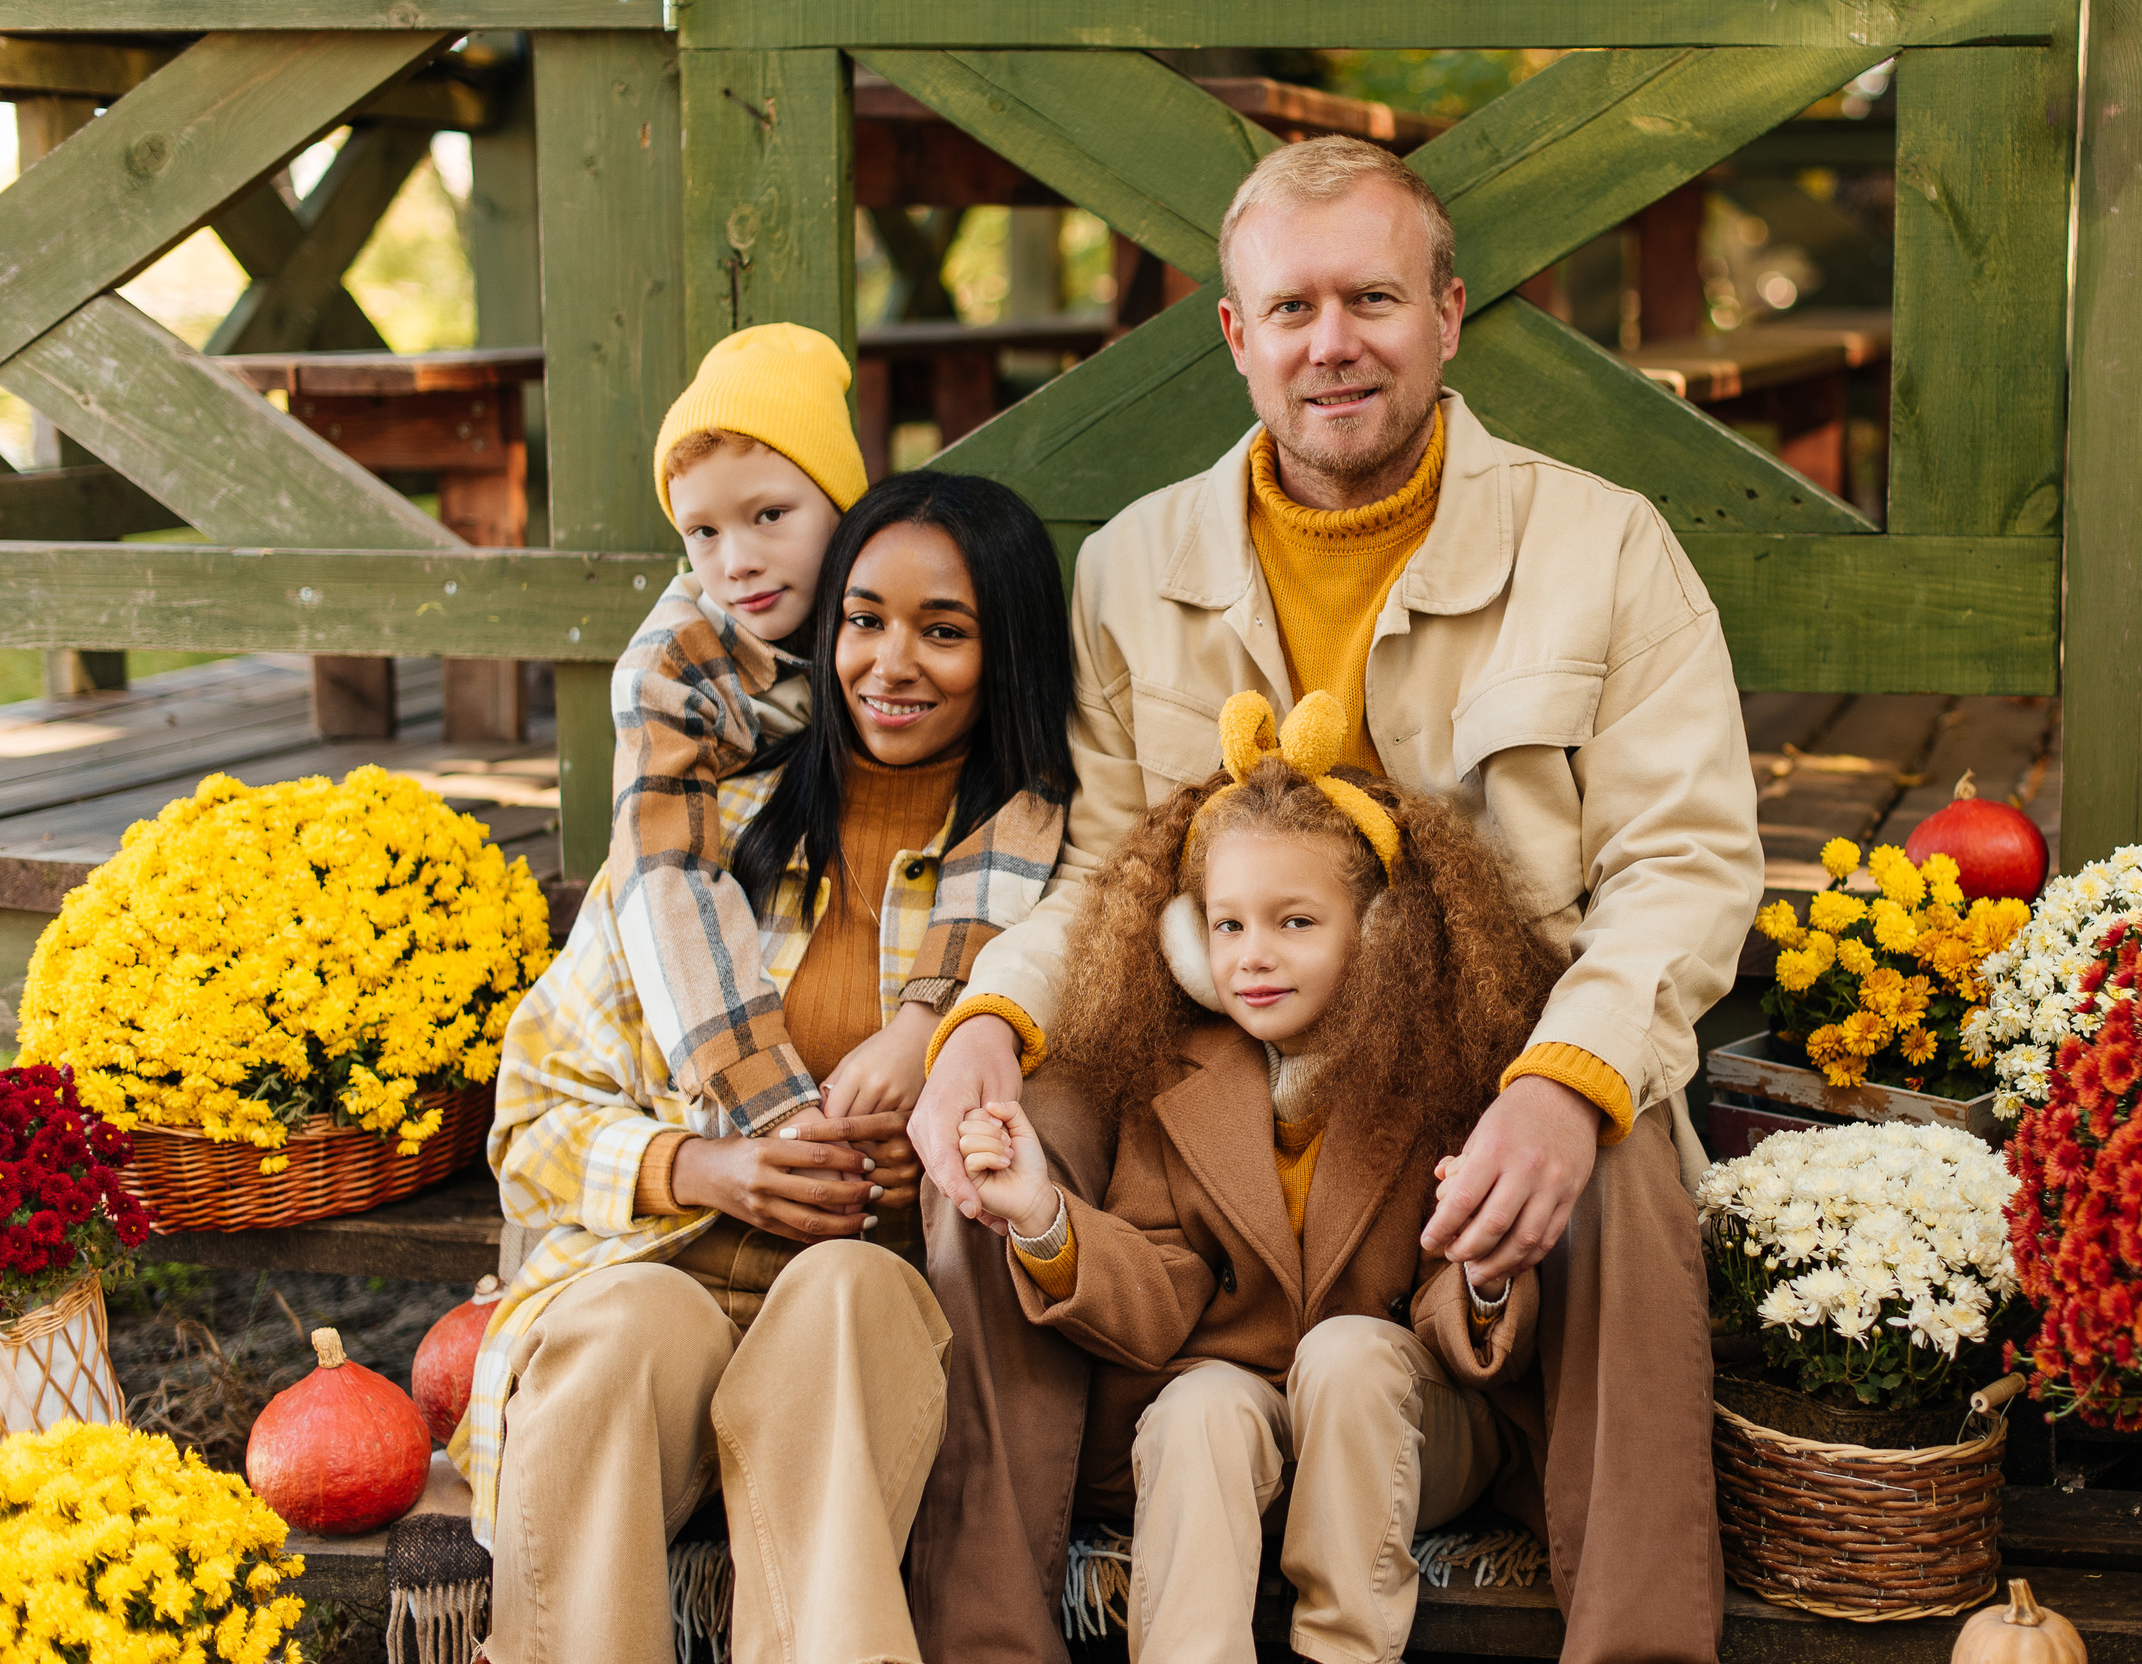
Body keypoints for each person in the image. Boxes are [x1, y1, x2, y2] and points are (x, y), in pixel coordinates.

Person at [907, 136, 1762, 1664]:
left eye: (1371, 297)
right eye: (1290, 307)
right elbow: (1105, 872)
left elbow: (1683, 865)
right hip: (1210, 1054)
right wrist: (987, 1016)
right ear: (1236, 337)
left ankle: (1637, 1645)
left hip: (1497, 1046)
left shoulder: (1600, 546)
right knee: (990, 1136)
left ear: (1447, 313)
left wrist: (1567, 1080)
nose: (1333, 342)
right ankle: (981, 1637)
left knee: (1624, 1130)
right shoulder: (1135, 567)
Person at [462, 471, 1076, 1664]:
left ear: (1005, 653)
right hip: (671, 1266)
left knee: (839, 1293)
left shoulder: (1039, 879)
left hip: (876, 1297)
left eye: (943, 630)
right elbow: (529, 1120)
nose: (890, 662)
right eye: (862, 619)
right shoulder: (697, 851)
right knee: (617, 1327)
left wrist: (945, 1159)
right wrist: (703, 1165)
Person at [957, 689, 1560, 1664]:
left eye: (1293, 921)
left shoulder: (1441, 1072)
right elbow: (1153, 1299)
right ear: (1191, 940)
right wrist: (1042, 1213)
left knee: (1351, 1356)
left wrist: (1487, 1275)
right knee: (1199, 1405)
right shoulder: (1168, 1078)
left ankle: (1342, 1648)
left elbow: (1455, 1310)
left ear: (1379, 930)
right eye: (1227, 925)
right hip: (1232, 1412)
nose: (1254, 956)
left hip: (1400, 1425)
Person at [616, 322, 1031, 1170]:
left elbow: (1011, 812)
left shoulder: (905, 607)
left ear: (844, 508)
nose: (736, 561)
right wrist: (766, 1099)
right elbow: (668, 879)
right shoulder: (670, 669)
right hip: (743, 969)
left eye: (770, 515)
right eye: (701, 533)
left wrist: (928, 1017)